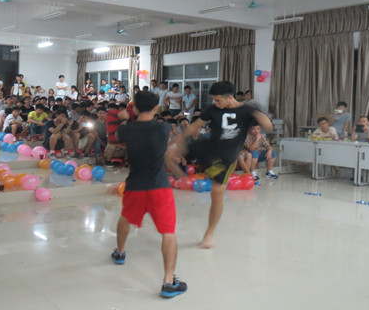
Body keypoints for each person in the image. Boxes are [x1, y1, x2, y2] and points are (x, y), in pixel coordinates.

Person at [166, 81, 272, 249]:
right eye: (214, 100)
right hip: (207, 148)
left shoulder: (246, 111)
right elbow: (196, 126)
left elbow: (268, 126)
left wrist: (255, 112)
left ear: (229, 97)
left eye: (218, 100)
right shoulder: (212, 109)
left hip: (226, 157)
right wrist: (179, 140)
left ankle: (209, 234)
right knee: (168, 154)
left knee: (216, 193)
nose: (215, 103)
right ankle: (181, 178)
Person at [111, 90, 187, 298]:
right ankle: (168, 282)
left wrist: (125, 119)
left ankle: (120, 253)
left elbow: (119, 135)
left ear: (134, 108)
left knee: (125, 218)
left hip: (134, 186)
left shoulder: (126, 130)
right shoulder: (164, 128)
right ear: (156, 108)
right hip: (159, 187)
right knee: (168, 233)